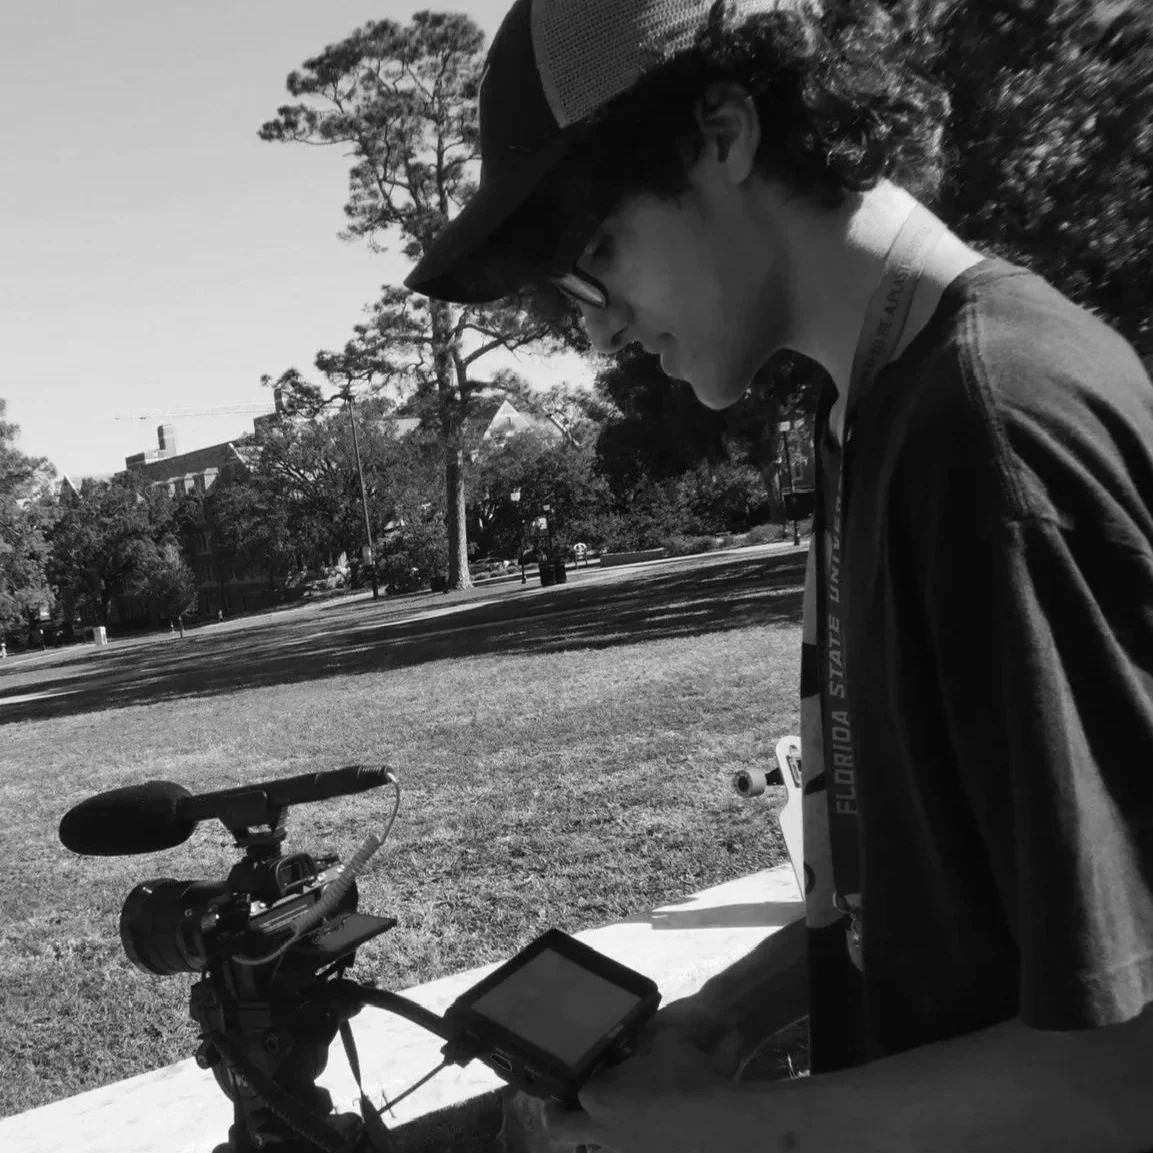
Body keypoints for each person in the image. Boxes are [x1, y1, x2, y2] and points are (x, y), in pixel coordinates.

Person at [406, 1, 1153, 1150]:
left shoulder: (990, 427)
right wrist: (724, 1019)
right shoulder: (874, 401)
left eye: (596, 252)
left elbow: (1122, 1074)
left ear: (721, 132)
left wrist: (729, 1131)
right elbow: (918, 898)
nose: (597, 338)